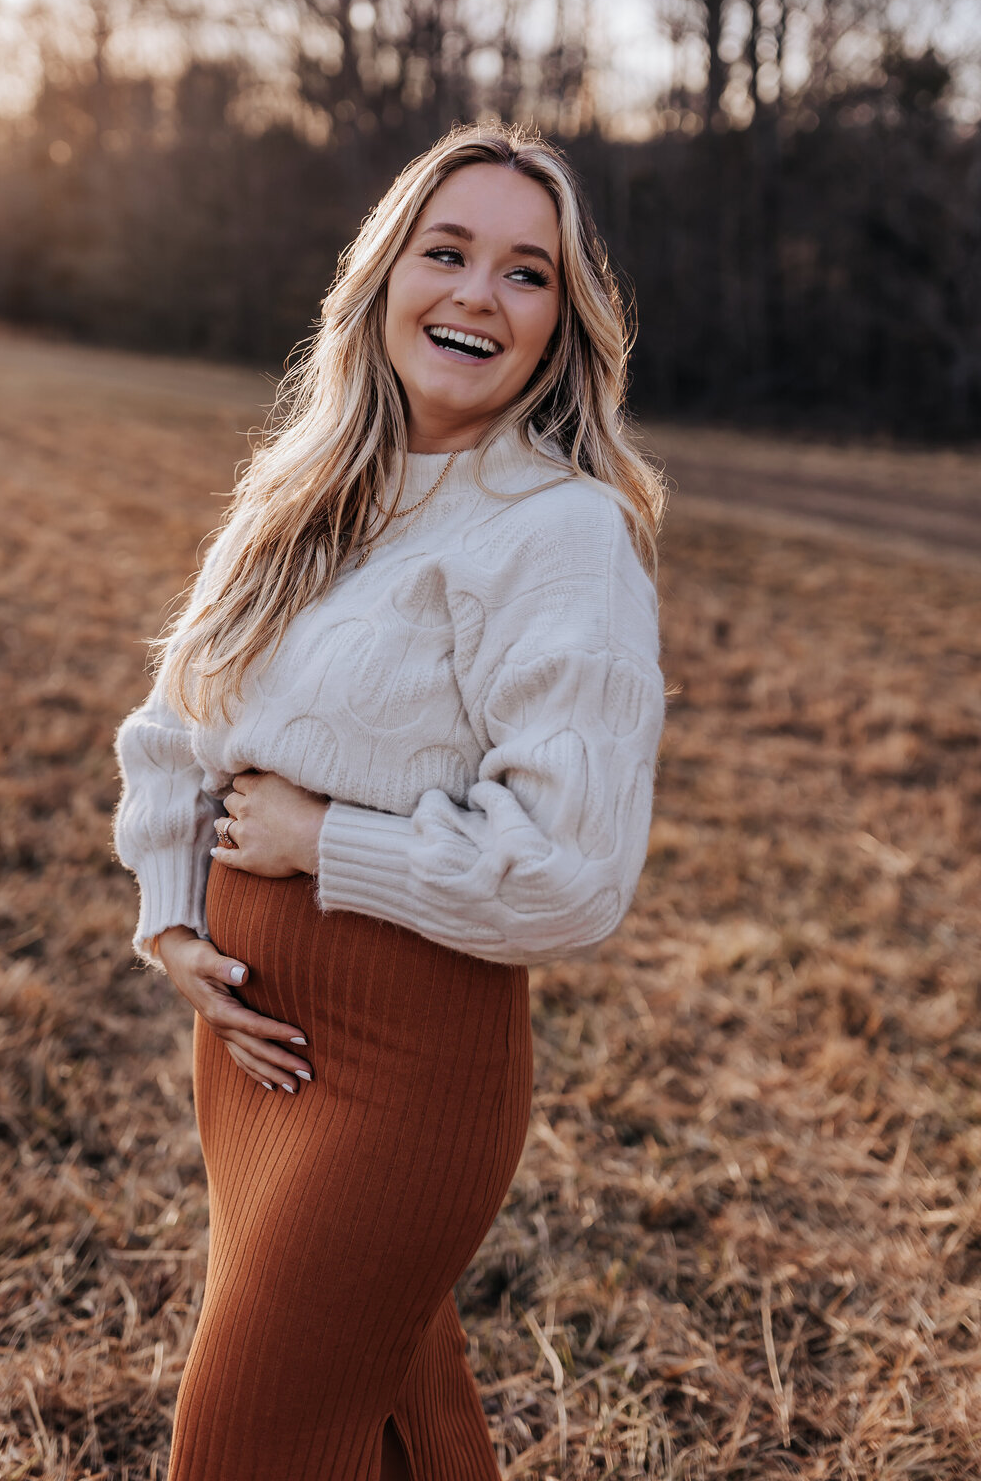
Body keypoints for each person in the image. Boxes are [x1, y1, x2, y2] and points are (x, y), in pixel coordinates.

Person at [113, 122, 666, 1481]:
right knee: (397, 1424)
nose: (480, 293)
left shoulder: (559, 531)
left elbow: (575, 871)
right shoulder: (306, 492)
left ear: (560, 327)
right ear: (382, 281)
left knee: (245, 1443)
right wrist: (175, 922)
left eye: (528, 273)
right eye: (449, 251)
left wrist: (324, 843)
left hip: (409, 1066)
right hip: (252, 1050)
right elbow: (178, 720)